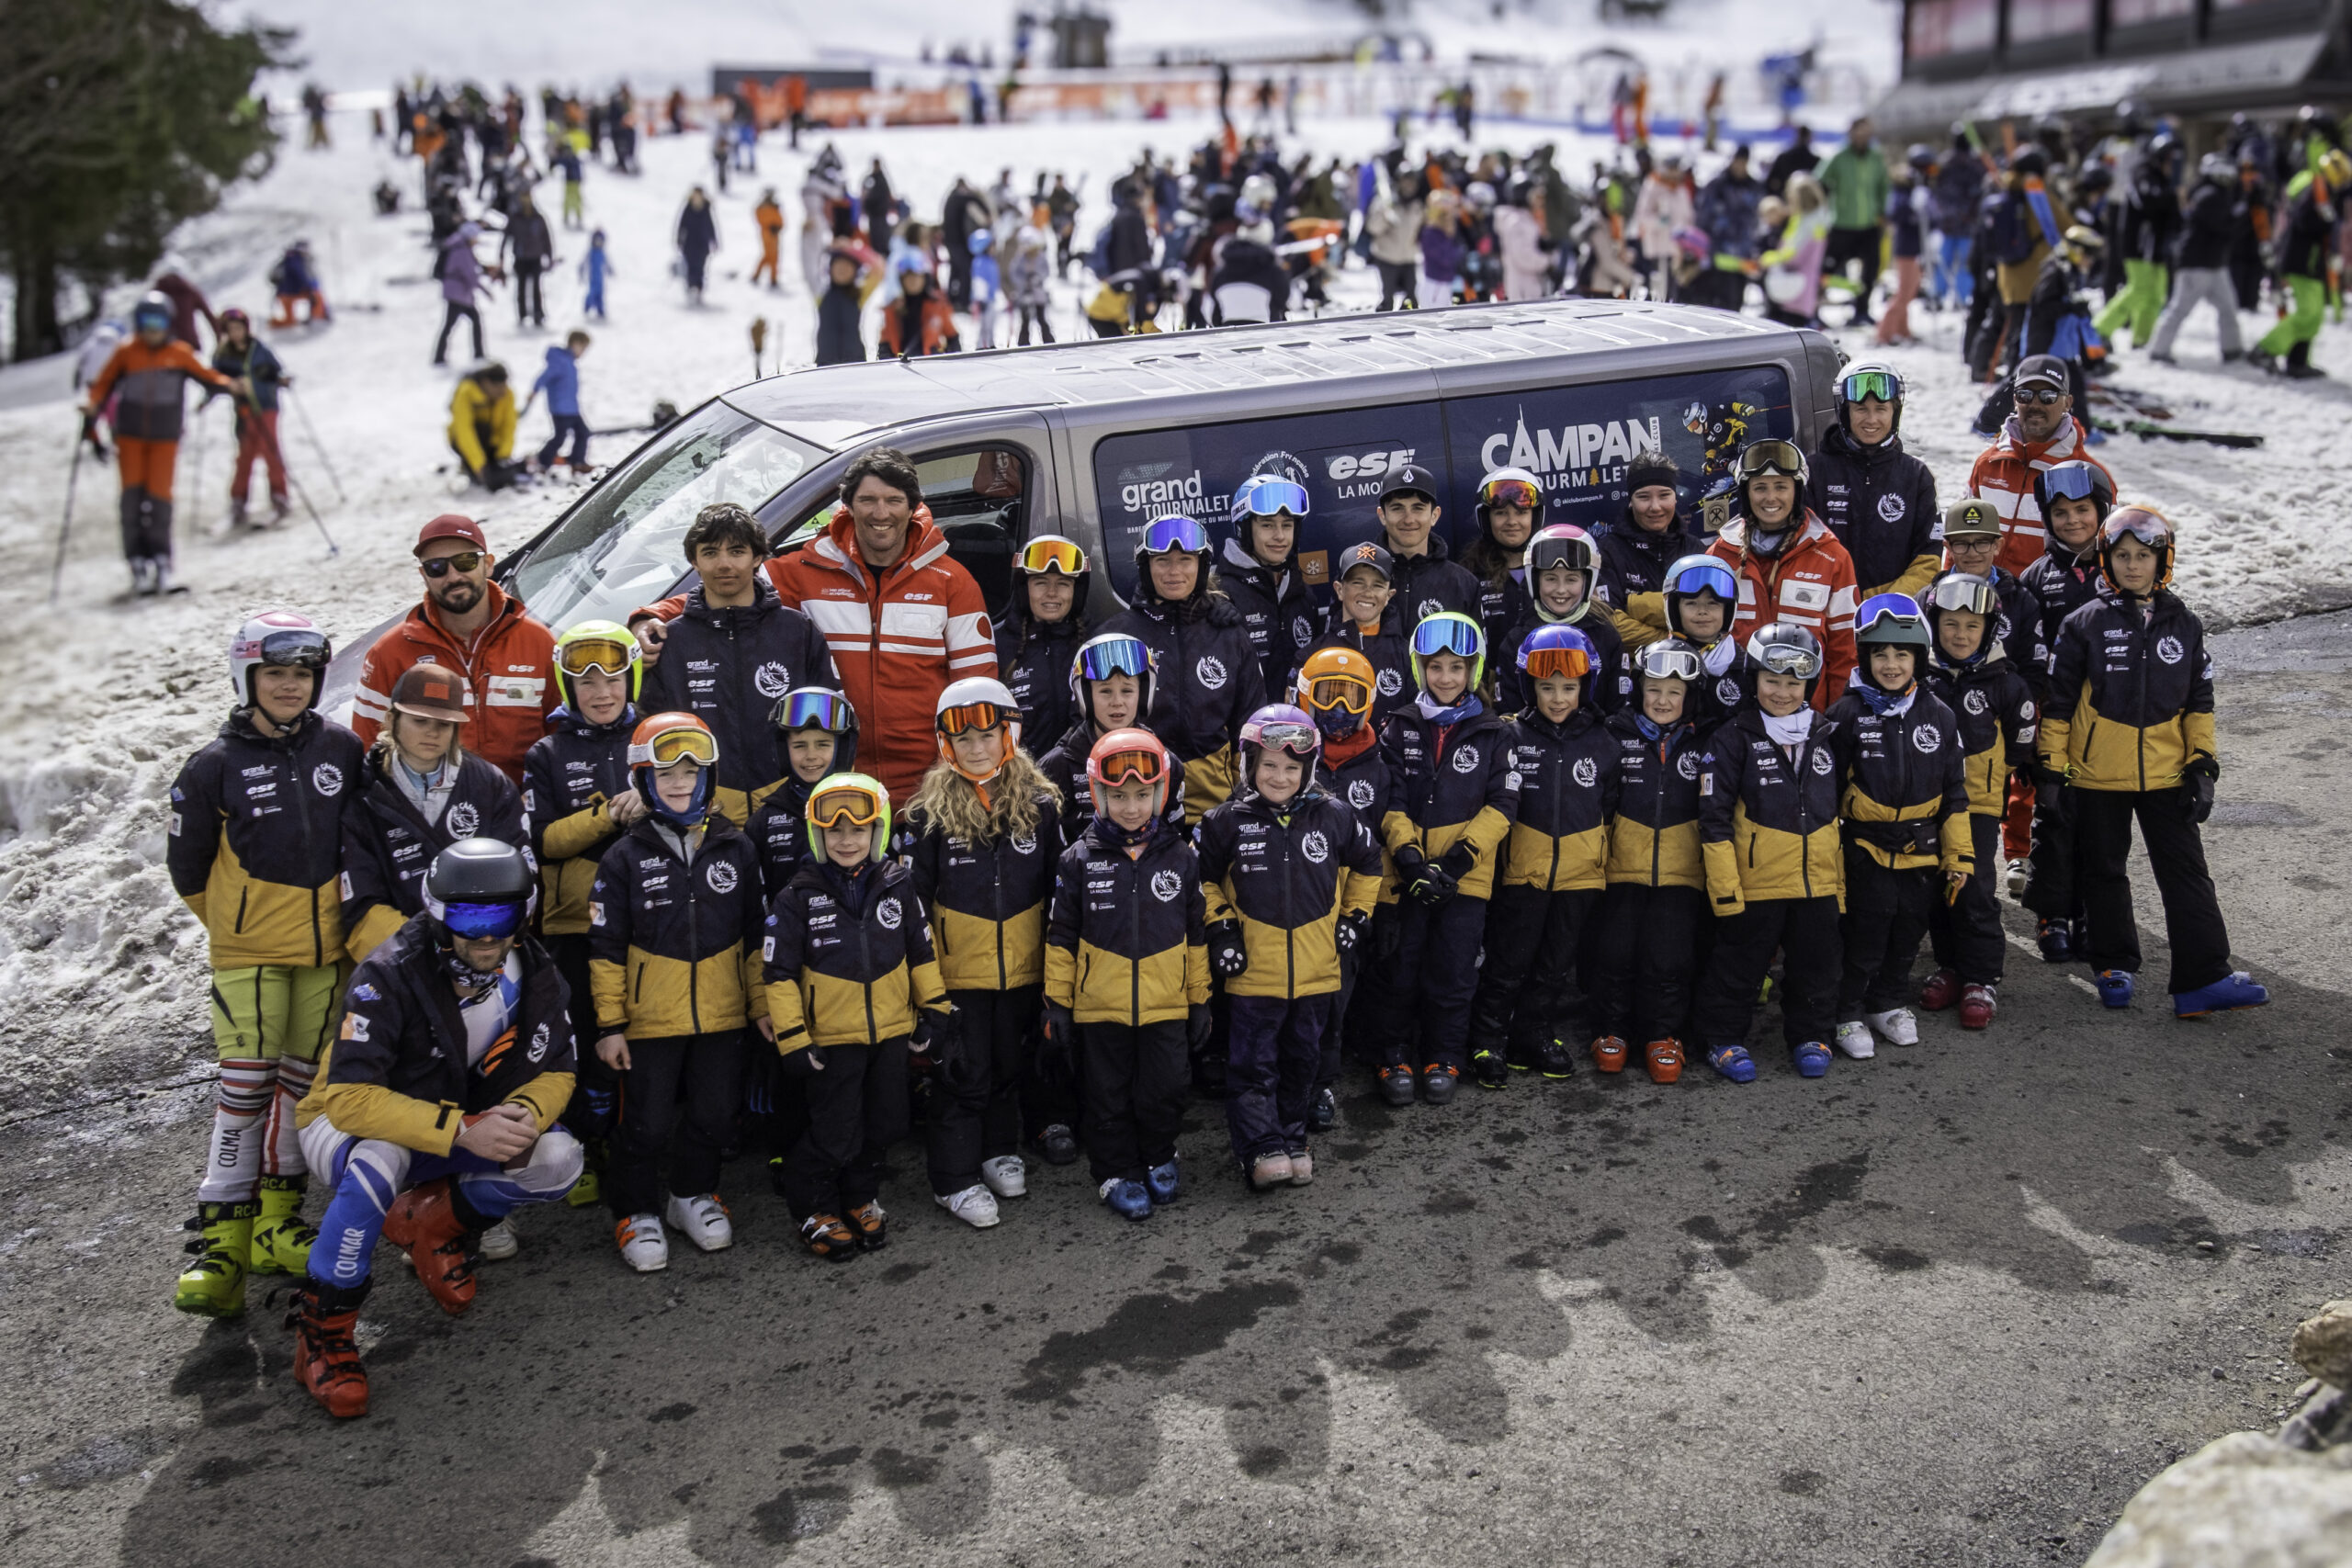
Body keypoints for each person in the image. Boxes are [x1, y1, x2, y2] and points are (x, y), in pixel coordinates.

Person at [287, 839, 583, 1417]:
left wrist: (524, 1111)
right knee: (381, 1159)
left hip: (453, 1125)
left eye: (501, 916)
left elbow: (560, 1069)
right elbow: (348, 1100)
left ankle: (434, 1222)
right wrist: (461, 1129)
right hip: (342, 1126)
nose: (486, 936)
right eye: (468, 917)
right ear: (437, 914)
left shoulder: (535, 969)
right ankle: (323, 1332)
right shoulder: (388, 971)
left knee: (557, 1158)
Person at [166, 613, 360, 1316]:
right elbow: (186, 870)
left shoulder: (342, 746)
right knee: (245, 1087)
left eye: (302, 674)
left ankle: (277, 1223)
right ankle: (220, 1241)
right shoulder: (213, 765)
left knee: (299, 1089)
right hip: (249, 956)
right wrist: (240, 927)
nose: (289, 686)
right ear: (246, 677)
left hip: (326, 956)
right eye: (275, 674)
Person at [634, 446, 997, 804]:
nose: (880, 513)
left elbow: (976, 692)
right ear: (849, 506)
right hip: (831, 779)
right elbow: (726, 589)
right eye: (868, 500)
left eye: (894, 500)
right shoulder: (804, 571)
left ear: (914, 506)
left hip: (929, 784)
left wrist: (967, 776)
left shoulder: (952, 581)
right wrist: (652, 616)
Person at [2038, 508, 2268, 1019]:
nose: (2132, 566)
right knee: (2103, 870)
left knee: (2187, 873)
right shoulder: (2083, 624)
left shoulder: (2184, 623)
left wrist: (2202, 765)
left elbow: (2199, 703)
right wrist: (2052, 770)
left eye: (2143, 556)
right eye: (2122, 556)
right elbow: (2057, 704)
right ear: (2107, 559)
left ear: (2162, 560)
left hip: (2167, 773)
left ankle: (2202, 979)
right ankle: (2113, 965)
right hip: (2096, 774)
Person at [589, 712, 773, 1271]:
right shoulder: (624, 857)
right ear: (642, 779)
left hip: (722, 1015)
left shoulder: (736, 848)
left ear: (709, 777)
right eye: (665, 772)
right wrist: (610, 1025)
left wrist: (760, 1007)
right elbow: (605, 947)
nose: (679, 781)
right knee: (644, 1122)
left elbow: (753, 937)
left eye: (691, 771)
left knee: (717, 1115)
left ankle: (692, 1193)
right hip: (649, 1022)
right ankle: (636, 1209)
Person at [763, 772, 951, 1258]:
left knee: (885, 1124)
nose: (847, 840)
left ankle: (860, 1197)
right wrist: (793, 1040)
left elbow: (922, 953)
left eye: (859, 830)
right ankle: (815, 1206)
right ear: (817, 835)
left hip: (890, 1032)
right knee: (834, 1131)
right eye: (835, 831)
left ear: (879, 832)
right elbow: (778, 974)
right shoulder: (796, 897)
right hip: (832, 1039)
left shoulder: (897, 884)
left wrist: (936, 1010)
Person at [1196, 705, 1383, 1189]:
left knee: (1303, 1062)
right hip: (1254, 976)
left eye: (1292, 767)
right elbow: (1198, 881)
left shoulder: (1336, 815)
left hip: (1317, 972)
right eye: (1269, 765)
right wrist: (1221, 929)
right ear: (1249, 766)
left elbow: (1369, 864)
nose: (1280, 777)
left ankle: (1293, 1138)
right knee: (1254, 1065)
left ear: (1309, 769)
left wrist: (1355, 918)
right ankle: (1260, 1147)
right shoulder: (1224, 822)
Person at [904, 682, 1068, 1226]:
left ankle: (1000, 1151)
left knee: (1007, 1065)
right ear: (947, 744)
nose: (977, 748)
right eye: (964, 738)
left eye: (988, 736)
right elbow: (912, 910)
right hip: (959, 977)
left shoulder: (1041, 808)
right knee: (961, 1074)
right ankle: (954, 1180)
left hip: (1021, 972)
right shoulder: (928, 814)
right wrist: (925, 991)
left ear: (1009, 735)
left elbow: (1059, 895)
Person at [1042, 729, 1211, 1221]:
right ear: (1099, 796)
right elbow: (1060, 939)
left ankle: (1160, 1154)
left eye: (1142, 795)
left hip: (1166, 1004)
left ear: (1160, 795)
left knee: (1166, 1089)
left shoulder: (1181, 857)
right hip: (1100, 1008)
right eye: (1118, 797)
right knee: (1106, 1096)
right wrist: (1058, 1006)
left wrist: (1199, 1001)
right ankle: (1114, 1170)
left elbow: (1195, 933)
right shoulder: (1077, 860)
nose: (1131, 808)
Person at [1369, 612, 1520, 1107]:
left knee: (1453, 973)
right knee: (1401, 969)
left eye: (1458, 667)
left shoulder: (1494, 732)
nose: (1446, 678)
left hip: (1464, 881)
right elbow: (1389, 800)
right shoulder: (1397, 726)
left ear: (1473, 671)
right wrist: (1410, 860)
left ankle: (1444, 1054)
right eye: (1435, 667)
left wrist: (1455, 863)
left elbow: (1502, 807)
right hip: (1407, 877)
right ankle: (1393, 1053)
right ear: (1419, 669)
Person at [522, 621, 646, 1207]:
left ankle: (633, 1144)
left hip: (645, 915)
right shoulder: (548, 751)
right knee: (581, 1038)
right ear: (567, 687)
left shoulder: (651, 736)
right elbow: (542, 839)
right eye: (587, 681)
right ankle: (580, 1146)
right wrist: (607, 816)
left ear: (631, 677)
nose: (602, 691)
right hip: (574, 923)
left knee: (637, 1037)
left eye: (613, 677)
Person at [1693, 623, 1848, 1082]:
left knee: (1817, 964)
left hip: (1816, 880)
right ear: (1753, 680)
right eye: (1771, 680)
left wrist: (1837, 884)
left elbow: (1837, 811)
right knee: (1738, 965)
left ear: (1810, 683)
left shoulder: (1825, 732)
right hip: (1753, 883)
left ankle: (1811, 1033)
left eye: (1794, 682)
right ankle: (1723, 1039)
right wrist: (1724, 887)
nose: (1782, 692)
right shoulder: (1731, 737)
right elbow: (1713, 819)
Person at [1821, 595, 1971, 1061]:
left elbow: (1955, 795)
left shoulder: (1939, 715)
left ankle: (1887, 1002)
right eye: (1880, 654)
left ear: (1918, 659)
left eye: (1902, 654)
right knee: (1866, 930)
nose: (1891, 664)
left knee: (1909, 928)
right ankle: (1846, 1009)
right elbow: (1824, 794)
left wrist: (1959, 856)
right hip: (1865, 845)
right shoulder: (1845, 715)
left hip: (1921, 849)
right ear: (1864, 658)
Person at [1470, 624, 1618, 1087]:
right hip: (1522, 875)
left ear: (1585, 686)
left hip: (1579, 876)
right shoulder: (1509, 735)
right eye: (1547, 687)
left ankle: (1532, 1034)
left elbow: (1609, 805)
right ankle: (1487, 1039)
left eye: (1569, 688)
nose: (1557, 698)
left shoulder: (1603, 741)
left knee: (1554, 965)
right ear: (1528, 685)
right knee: (1508, 962)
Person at [637, 502, 839, 826]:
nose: (724, 564)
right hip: (703, 810)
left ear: (757, 558)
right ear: (694, 561)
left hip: (790, 808)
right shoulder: (671, 643)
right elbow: (649, 732)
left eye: (737, 551)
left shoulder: (797, 631)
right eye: (711, 553)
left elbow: (832, 722)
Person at [340, 663, 529, 962]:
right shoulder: (363, 793)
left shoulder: (491, 785)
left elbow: (522, 880)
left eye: (443, 724)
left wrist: (478, 944)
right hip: (399, 961)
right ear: (391, 719)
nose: (431, 732)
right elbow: (361, 904)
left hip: (483, 950)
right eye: (419, 720)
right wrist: (425, 952)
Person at [353, 513, 560, 784]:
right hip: (432, 817)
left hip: (526, 811)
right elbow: (368, 752)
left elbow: (562, 739)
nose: (453, 576)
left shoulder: (538, 642)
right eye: (437, 567)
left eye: (465, 562)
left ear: (487, 564)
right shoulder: (389, 653)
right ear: (423, 575)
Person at [1915, 574, 2037, 1032]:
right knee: (1936, 887)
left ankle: (1981, 976)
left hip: (1978, 805)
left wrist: (1997, 775)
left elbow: (2023, 739)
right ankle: (1950, 966)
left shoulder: (2005, 683)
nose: (1961, 635)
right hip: (1926, 803)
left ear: (1989, 629)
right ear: (1934, 624)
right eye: (1950, 624)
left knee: (1975, 888)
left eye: (1971, 625)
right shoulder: (1919, 675)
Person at [1098, 514, 1264, 822]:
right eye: (1162, 561)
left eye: (1185, 560)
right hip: (1138, 803)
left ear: (1201, 567)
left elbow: (1251, 723)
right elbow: (1089, 726)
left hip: (1217, 804)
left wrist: (1245, 798)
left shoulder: (1228, 633)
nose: (1174, 571)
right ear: (1145, 567)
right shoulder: (1115, 638)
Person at [1595, 638, 1709, 1081]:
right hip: (1622, 867)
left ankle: (1663, 1034)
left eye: (1674, 693)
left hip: (1682, 871)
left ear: (1690, 697)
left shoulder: (1705, 738)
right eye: (1654, 690)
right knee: (1615, 953)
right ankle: (1612, 1029)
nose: (1663, 701)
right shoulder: (1612, 733)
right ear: (1638, 691)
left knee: (1670, 958)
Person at [80, 290, 241, 594]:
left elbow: (207, 376)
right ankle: (137, 562)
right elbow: (102, 385)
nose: (152, 328)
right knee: (131, 499)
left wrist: (229, 385)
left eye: (158, 320)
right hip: (130, 436)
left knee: (160, 499)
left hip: (165, 437)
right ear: (138, 323)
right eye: (146, 320)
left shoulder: (179, 353)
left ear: (167, 322)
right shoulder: (126, 352)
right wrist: (91, 406)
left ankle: (162, 559)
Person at [2017, 466, 2111, 957]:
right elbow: (2025, 657)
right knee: (2053, 820)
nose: (2072, 521)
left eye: (2082, 510)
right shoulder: (2037, 577)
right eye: (2060, 513)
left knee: (2101, 825)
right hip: (2055, 722)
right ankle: (2053, 914)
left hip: (2110, 724)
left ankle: (2096, 914)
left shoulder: (2121, 565)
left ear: (2101, 511)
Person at [1695, 440, 1860, 707]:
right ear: (1746, 494)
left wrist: (1835, 720)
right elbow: (1696, 637)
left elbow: (1846, 654)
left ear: (1797, 491)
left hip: (1806, 717)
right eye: (1760, 488)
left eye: (1781, 487)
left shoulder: (1832, 557)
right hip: (1736, 716)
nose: (1770, 498)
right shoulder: (1720, 556)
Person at [1963, 355, 2113, 580]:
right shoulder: (1988, 464)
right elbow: (1961, 535)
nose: (2035, 404)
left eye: (2048, 396)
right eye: (2025, 395)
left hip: (2046, 602)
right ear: (2015, 400)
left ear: (2068, 403)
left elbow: (2109, 554)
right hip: (1984, 596)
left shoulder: (2089, 475)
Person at [1808, 363, 1939, 602]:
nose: (1871, 419)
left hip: (1891, 613)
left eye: (1881, 409)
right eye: (1861, 409)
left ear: (1895, 412)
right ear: (1844, 410)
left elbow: (1929, 557)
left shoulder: (1916, 476)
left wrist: (1885, 602)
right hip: (1825, 607)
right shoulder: (1814, 472)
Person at [745, 687, 860, 897]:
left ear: (842, 748)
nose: (811, 756)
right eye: (799, 746)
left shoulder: (865, 810)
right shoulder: (763, 823)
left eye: (822, 744)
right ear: (783, 750)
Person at [2251, 147, 2348, 377]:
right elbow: (2304, 222)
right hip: (2300, 261)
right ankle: (2264, 349)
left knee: (2315, 316)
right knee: (2307, 313)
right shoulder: (2313, 189)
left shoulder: (2324, 192)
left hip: (2313, 263)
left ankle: (2298, 361)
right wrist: (2325, 222)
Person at [1218, 476, 1318, 699]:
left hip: (1300, 727)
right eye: (1267, 525)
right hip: (1249, 728)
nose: (1280, 536)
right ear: (1244, 529)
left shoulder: (1302, 593)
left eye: (1287, 525)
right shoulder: (1220, 595)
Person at [1302, 540, 1413, 730]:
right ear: (1339, 590)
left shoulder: (1408, 656)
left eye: (1377, 585)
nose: (1367, 593)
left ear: (1389, 595)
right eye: (1357, 582)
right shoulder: (1312, 655)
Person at [997, 535, 1091, 758]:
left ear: (1076, 592)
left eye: (1063, 583)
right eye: (1041, 583)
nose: (1052, 593)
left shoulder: (1094, 644)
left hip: (1081, 773)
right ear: (1023, 589)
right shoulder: (998, 646)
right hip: (1018, 776)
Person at [2149, 154, 2246, 365]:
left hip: (2215, 263)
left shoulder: (2219, 194)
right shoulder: (2210, 196)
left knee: (2228, 308)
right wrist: (2241, 215)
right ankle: (2158, 350)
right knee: (2179, 309)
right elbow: (2224, 228)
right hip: (2196, 264)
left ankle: (2233, 349)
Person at [207, 308, 291, 529]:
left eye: (239, 328)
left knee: (270, 449)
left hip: (266, 406)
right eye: (231, 329)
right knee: (245, 455)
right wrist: (223, 389)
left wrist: (278, 379)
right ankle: (238, 501)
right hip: (244, 411)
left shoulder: (259, 349)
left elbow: (277, 371)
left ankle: (279, 496)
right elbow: (213, 379)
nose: (235, 333)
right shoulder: (223, 355)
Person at [2097, 136, 2182, 352]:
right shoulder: (2142, 174)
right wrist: (2172, 199)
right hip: (2139, 247)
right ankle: (2099, 330)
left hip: (2158, 249)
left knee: (2156, 295)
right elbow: (2148, 200)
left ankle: (2141, 339)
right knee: (2138, 289)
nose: (2172, 165)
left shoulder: (2163, 180)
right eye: (2170, 159)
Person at [1374, 464, 1483, 626]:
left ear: (1434, 515)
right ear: (1382, 515)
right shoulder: (1356, 578)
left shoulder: (1463, 584)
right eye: (1397, 508)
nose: (1409, 519)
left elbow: (1476, 650)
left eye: (1418, 508)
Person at [1462, 466, 1543, 651]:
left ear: (1535, 516)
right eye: (1501, 513)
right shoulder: (1469, 577)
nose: (1512, 522)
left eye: (1521, 513)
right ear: (1486, 519)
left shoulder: (1555, 568)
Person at [1758, 170, 1832, 327]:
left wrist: (1771, 258)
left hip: (1795, 287)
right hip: (1798, 286)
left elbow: (1794, 255)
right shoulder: (1806, 219)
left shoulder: (1809, 223)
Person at [447, 360, 523, 491]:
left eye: (504, 385)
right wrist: (478, 465)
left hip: (492, 442)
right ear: (485, 383)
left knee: (501, 476)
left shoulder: (507, 394)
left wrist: (503, 456)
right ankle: (469, 465)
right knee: (482, 479)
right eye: (498, 387)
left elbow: (509, 426)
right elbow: (464, 431)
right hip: (463, 441)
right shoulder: (466, 392)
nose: (503, 391)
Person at [524, 331, 592, 474]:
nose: (583, 353)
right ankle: (543, 461)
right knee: (560, 437)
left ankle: (577, 461)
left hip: (571, 408)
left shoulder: (568, 362)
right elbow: (544, 377)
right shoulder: (560, 361)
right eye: (583, 348)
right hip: (560, 409)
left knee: (583, 433)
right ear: (575, 344)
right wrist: (534, 391)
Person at [434, 222, 493, 367]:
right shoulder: (462, 250)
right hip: (458, 294)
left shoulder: (458, 247)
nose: (477, 240)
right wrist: (485, 290)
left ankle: (441, 356)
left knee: (455, 323)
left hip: (458, 293)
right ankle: (476, 354)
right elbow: (470, 275)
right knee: (453, 324)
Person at [878, 261, 960, 355]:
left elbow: (952, 337)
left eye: (917, 276)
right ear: (901, 280)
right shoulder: (892, 309)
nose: (913, 280)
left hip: (930, 364)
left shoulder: (937, 306)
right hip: (900, 366)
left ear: (925, 279)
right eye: (908, 277)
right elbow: (884, 343)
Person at [502, 191, 555, 327]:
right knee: (521, 287)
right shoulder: (515, 218)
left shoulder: (538, 218)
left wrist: (548, 255)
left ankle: (538, 314)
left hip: (535, 257)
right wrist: (501, 254)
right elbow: (506, 236)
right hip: (521, 257)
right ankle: (522, 313)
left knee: (536, 287)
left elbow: (545, 238)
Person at [815, 247, 869, 366]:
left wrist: (850, 246)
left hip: (855, 363)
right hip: (825, 365)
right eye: (839, 265)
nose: (842, 270)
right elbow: (809, 262)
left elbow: (879, 268)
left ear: (855, 270)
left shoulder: (860, 294)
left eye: (848, 266)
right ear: (830, 268)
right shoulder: (820, 294)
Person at [268, 239, 331, 326]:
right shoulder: (296, 260)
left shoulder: (290, 259)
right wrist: (310, 289)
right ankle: (317, 318)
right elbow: (302, 276)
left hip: (285, 294)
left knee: (289, 321)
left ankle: (272, 323)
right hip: (289, 293)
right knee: (317, 295)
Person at [677, 187, 718, 305]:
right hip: (689, 243)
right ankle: (691, 287)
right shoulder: (688, 209)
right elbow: (682, 225)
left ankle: (699, 288)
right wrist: (679, 239)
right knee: (690, 265)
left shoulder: (706, 209)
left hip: (702, 243)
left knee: (700, 266)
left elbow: (710, 225)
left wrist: (714, 240)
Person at [1764, 124, 1819, 198]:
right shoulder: (1816, 161)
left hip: (1788, 201)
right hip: (1806, 204)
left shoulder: (1783, 157)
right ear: (1810, 138)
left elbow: (1770, 183)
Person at [752, 187, 786, 289]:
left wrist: (778, 227)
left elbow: (780, 220)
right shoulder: (762, 208)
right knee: (769, 255)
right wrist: (771, 226)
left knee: (773, 256)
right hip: (767, 233)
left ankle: (771, 278)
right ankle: (761, 276)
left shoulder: (774, 207)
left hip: (774, 234)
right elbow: (760, 219)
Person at [581, 229, 615, 320]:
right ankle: (587, 305)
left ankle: (600, 310)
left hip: (600, 278)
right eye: (597, 241)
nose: (598, 243)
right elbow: (584, 262)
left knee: (600, 293)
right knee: (592, 292)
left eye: (600, 241)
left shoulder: (602, 253)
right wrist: (581, 269)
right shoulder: (591, 252)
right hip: (593, 277)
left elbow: (606, 262)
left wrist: (610, 270)